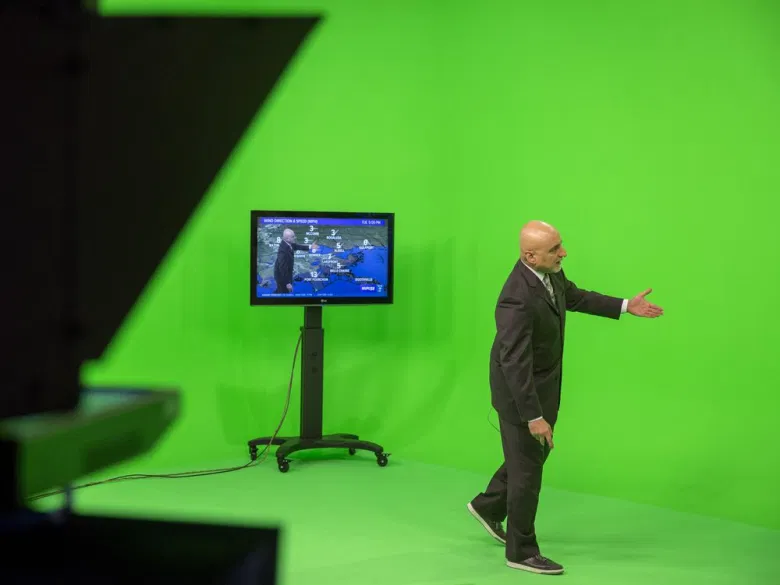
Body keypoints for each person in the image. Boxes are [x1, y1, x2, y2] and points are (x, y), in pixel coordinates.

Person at [466, 220, 663, 576]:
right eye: (556, 248)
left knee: (527, 457)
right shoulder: (516, 298)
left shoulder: (549, 272)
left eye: (560, 245)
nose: (564, 252)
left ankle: (489, 507)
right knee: (528, 472)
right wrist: (533, 416)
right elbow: (514, 363)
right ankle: (521, 550)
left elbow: (575, 297)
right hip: (520, 396)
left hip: (541, 388)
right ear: (531, 255)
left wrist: (624, 305)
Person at [273, 228, 319, 293]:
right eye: (293, 237)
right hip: (282, 277)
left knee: (281, 291)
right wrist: (287, 283)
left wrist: (311, 246)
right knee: (283, 293)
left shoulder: (288, 243)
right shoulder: (283, 251)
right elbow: (282, 268)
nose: (295, 237)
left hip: (286, 274)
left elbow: (297, 246)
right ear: (287, 239)